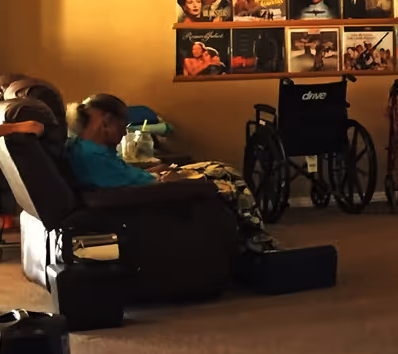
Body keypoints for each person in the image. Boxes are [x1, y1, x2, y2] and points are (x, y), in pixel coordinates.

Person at [66, 93, 274, 252]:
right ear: (106, 122)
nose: (124, 132)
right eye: (123, 125)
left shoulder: (84, 148)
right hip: (156, 194)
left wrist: (156, 171)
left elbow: (122, 176)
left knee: (217, 166)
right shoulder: (94, 158)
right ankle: (258, 242)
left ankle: (248, 240)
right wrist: (168, 181)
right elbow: (125, 188)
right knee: (228, 179)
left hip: (152, 184)